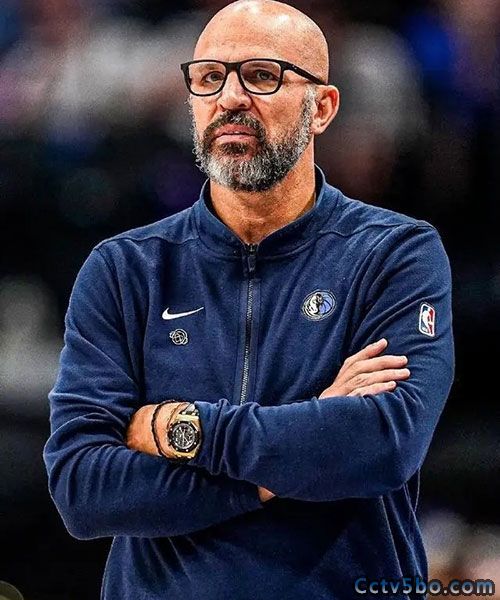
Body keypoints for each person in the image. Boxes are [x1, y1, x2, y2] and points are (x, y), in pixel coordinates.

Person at [43, 1, 454, 599]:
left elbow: (384, 445)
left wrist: (177, 427)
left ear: (322, 107)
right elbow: (84, 490)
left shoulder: (395, 253)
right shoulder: (125, 269)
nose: (230, 97)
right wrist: (293, 451)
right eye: (209, 77)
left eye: (262, 76)